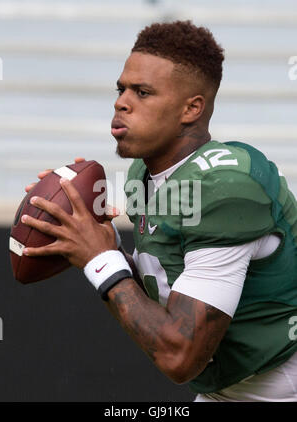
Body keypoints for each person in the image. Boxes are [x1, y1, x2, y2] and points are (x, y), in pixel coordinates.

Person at [23, 21, 297, 401]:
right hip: (229, 387)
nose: (121, 102)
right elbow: (168, 291)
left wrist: (101, 261)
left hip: (277, 387)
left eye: (143, 92)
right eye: (121, 89)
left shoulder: (225, 188)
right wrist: (97, 240)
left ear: (191, 108)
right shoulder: (146, 172)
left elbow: (179, 356)